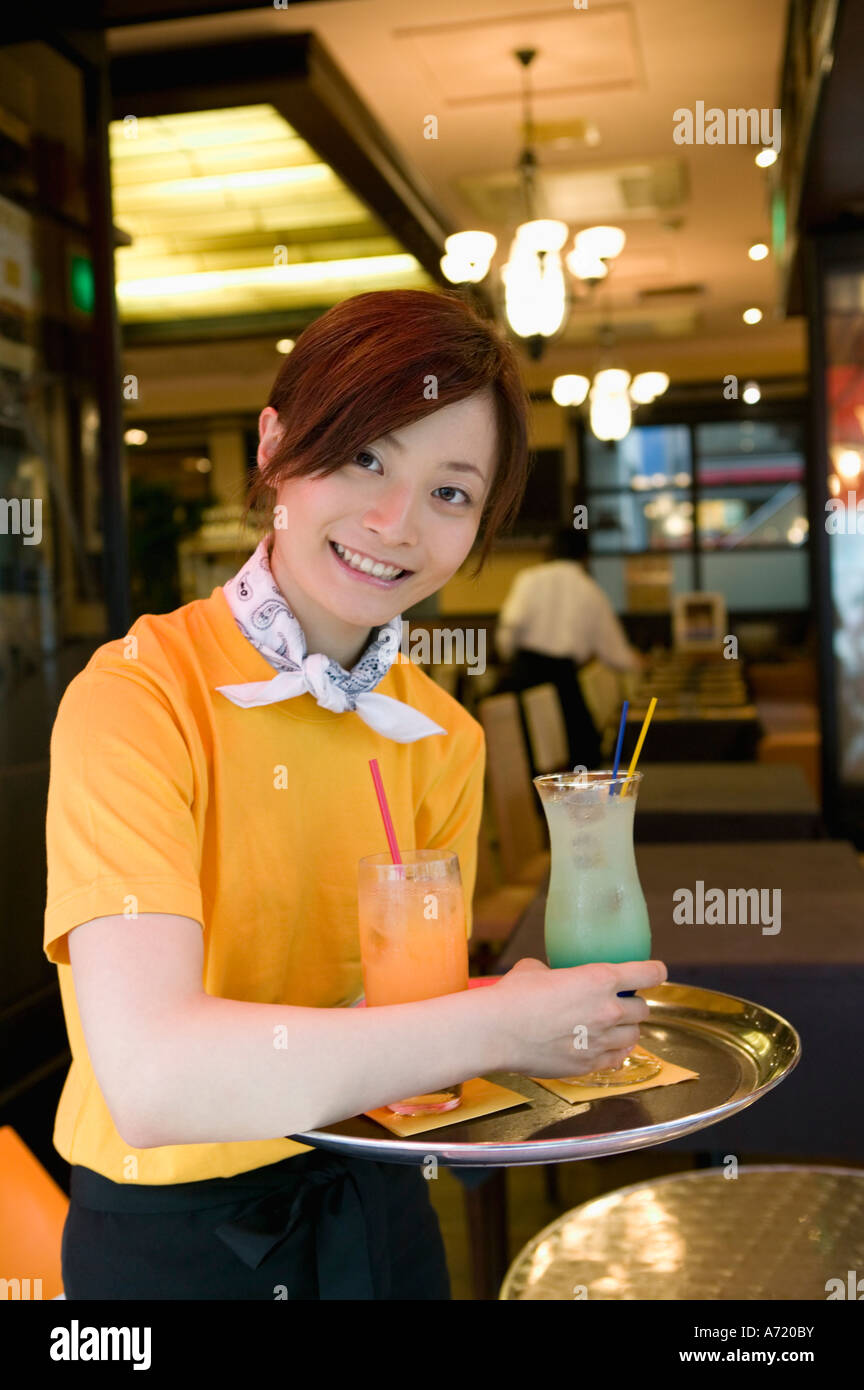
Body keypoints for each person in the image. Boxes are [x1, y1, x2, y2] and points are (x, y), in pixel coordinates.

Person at [44, 289, 666, 1300]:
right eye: (364, 456)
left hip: (379, 1205)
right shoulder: (137, 696)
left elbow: (407, 1035)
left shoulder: (439, 736)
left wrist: (537, 1026)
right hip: (175, 1250)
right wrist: (502, 1026)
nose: (394, 523)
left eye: (450, 493)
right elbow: (154, 1078)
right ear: (275, 445)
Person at [496, 526, 643, 769]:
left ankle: (534, 803)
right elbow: (614, 653)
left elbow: (509, 627)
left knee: (526, 753)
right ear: (585, 557)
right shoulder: (590, 590)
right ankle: (573, 805)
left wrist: (510, 660)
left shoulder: (529, 577)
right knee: (584, 754)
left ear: (551, 552)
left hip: (524, 672)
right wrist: (639, 662)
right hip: (563, 678)